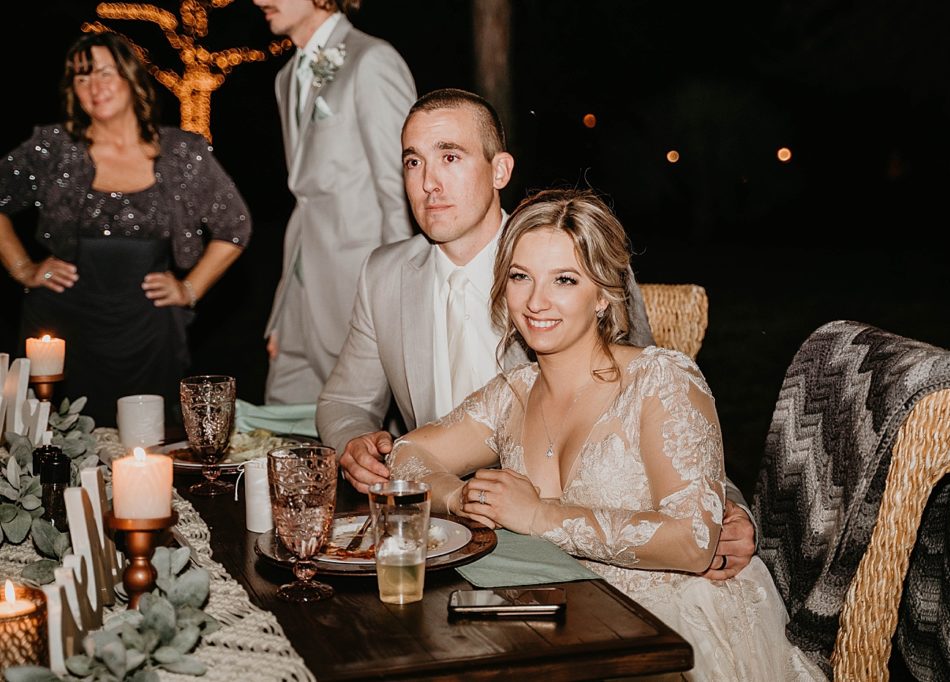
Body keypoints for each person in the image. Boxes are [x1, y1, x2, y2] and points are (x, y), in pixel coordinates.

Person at [386, 188, 825, 681]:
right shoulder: (511, 394)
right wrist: (460, 496)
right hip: (566, 623)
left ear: (603, 295)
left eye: (564, 279)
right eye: (520, 276)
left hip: (675, 631)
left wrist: (538, 515)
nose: (536, 301)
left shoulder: (661, 381)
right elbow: (408, 453)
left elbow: (694, 540)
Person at [317, 88, 754, 578]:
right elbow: (346, 403)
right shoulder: (384, 275)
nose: (429, 183)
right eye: (413, 162)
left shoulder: (576, 252)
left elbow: (662, 414)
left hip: (598, 555)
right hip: (439, 528)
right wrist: (359, 447)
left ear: (500, 170)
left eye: (450, 157)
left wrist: (730, 509)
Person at [0, 32, 250, 426]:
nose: (94, 87)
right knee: (51, 445)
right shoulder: (53, 148)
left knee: (150, 444)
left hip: (148, 333)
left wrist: (189, 289)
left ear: (132, 77)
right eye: (81, 77)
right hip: (62, 330)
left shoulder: (181, 152)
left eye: (104, 73)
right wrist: (22, 268)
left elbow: (234, 227)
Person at [254, 0, 416, 403]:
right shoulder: (286, 77)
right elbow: (305, 197)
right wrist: (284, 308)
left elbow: (398, 186)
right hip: (300, 288)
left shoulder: (371, 60)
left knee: (369, 426)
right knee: (281, 420)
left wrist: (397, 297)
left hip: (357, 287)